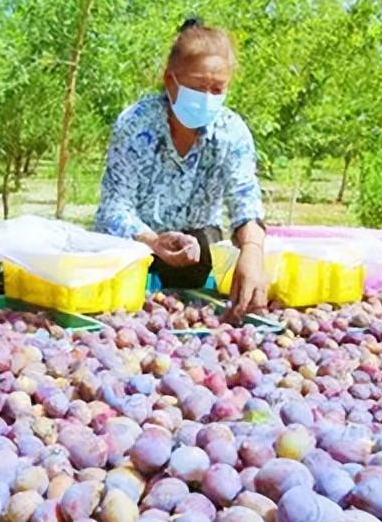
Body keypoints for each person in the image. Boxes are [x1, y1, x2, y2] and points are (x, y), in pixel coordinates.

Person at [93, 18, 268, 317]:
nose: (207, 98)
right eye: (198, 87)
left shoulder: (231, 132)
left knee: (203, 250)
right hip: (135, 249)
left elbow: (245, 203)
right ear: (170, 80)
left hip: (195, 254)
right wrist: (151, 240)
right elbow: (114, 206)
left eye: (217, 89)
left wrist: (252, 252)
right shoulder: (137, 124)